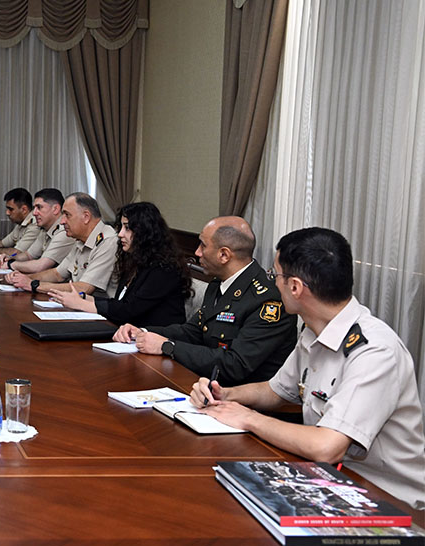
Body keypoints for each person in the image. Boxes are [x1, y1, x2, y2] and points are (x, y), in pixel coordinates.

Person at [189, 228, 425, 509]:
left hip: (389, 502)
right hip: (329, 483)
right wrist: (226, 395)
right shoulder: (314, 329)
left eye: (274, 275)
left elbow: (326, 447)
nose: (271, 282)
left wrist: (248, 418)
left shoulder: (375, 351)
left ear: (295, 288)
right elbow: (276, 391)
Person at [114, 216, 297, 386]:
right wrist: (142, 332)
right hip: (206, 384)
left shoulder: (268, 300)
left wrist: (167, 346)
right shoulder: (219, 283)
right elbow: (192, 331)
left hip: (244, 402)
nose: (197, 252)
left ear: (224, 255)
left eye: (202, 245)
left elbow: (235, 364)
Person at [48, 201, 189, 327]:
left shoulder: (163, 268)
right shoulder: (135, 260)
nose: (120, 234)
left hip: (154, 339)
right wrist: (84, 298)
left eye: (127, 228)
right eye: (120, 227)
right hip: (129, 332)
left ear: (144, 231)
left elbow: (130, 310)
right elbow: (120, 303)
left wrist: (82, 304)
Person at [4, 192, 117, 296]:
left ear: (86, 217)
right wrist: (24, 278)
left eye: (67, 215)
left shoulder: (107, 241)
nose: (62, 221)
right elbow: (57, 274)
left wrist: (34, 285)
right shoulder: (81, 240)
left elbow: (84, 288)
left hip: (101, 314)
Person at [0, 188, 72, 273]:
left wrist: (10, 264)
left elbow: (40, 266)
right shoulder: (45, 229)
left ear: (55, 209)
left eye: (39, 207)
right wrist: (9, 257)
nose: (34, 213)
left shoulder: (64, 231)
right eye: (34, 208)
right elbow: (28, 255)